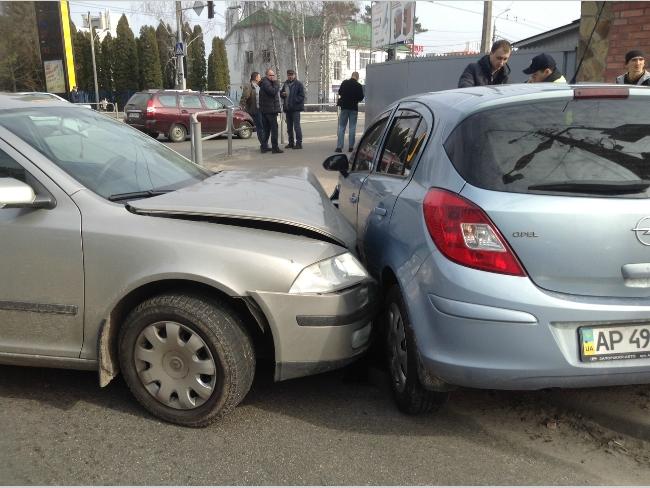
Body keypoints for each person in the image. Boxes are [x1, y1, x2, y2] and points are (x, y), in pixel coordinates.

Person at [336, 71, 365, 153]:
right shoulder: (358, 86)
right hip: (353, 109)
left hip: (344, 108)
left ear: (352, 75)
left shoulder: (344, 83)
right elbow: (361, 97)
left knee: (342, 127)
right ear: (357, 77)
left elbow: (340, 92)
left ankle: (339, 147)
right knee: (352, 127)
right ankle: (351, 147)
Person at [240, 71, 267, 151]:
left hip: (261, 109)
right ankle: (264, 145)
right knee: (260, 128)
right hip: (255, 110)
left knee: (263, 127)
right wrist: (242, 106)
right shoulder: (249, 86)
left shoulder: (258, 86)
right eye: (259, 77)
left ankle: (264, 145)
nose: (260, 78)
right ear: (255, 78)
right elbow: (244, 97)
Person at [258, 68, 283, 154]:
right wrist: (276, 83)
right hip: (270, 111)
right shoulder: (266, 83)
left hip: (266, 110)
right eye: (270, 75)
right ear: (266, 75)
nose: (272, 77)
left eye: (273, 75)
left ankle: (264, 147)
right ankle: (274, 148)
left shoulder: (265, 83)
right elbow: (273, 92)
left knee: (267, 130)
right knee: (274, 130)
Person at [280, 69, 305, 149]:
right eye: (289, 75)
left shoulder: (299, 84)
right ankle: (291, 143)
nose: (290, 76)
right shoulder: (285, 83)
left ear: (294, 75)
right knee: (289, 127)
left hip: (295, 109)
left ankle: (299, 143)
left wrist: (293, 100)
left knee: (296, 127)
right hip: (287, 108)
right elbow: (281, 93)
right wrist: (282, 94)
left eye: (291, 75)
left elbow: (302, 96)